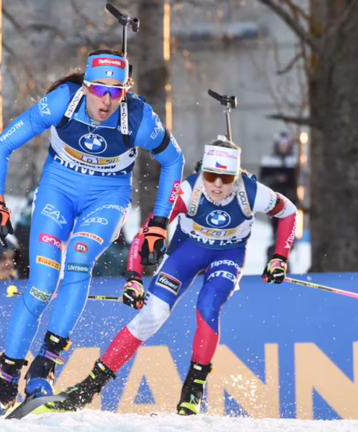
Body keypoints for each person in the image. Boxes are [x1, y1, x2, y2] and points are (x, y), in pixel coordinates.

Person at [0, 48, 184, 415]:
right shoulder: (63, 102)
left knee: (80, 258)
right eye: (98, 90)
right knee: (41, 286)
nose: (106, 101)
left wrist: (160, 222)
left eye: (116, 92)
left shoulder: (138, 118)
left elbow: (174, 160)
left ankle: (45, 367)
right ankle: (5, 380)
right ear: (85, 87)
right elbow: (1, 145)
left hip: (107, 198)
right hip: (59, 192)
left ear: (125, 92)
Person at [46, 136, 298, 416]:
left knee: (209, 306)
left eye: (225, 178)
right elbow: (148, 232)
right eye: (211, 175)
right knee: (151, 316)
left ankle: (193, 390)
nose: (217, 185)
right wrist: (134, 278)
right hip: (187, 253)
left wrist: (279, 258)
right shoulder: (187, 191)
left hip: (228, 255)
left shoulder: (252, 192)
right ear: (203, 172)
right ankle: (89, 388)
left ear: (236, 177)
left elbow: (289, 213)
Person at [259, 131, 299, 265]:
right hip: (275, 204)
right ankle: (275, 258)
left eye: (287, 145)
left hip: (292, 202)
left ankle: (281, 260)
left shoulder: (294, 162)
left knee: (290, 236)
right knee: (279, 233)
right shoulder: (269, 161)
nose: (284, 147)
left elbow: (298, 182)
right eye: (282, 145)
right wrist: (276, 179)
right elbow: (263, 182)